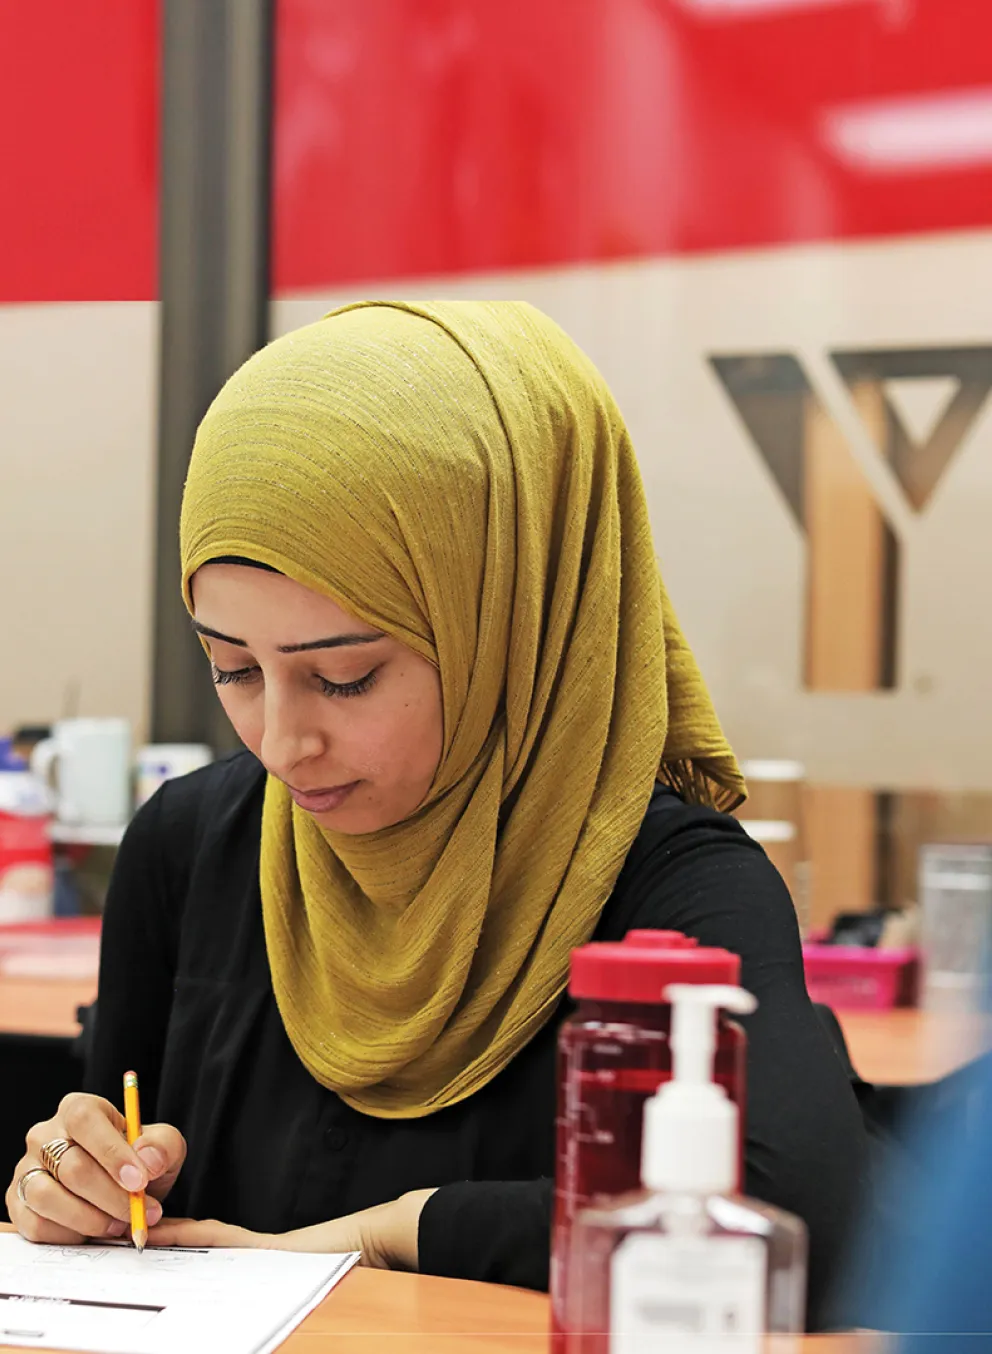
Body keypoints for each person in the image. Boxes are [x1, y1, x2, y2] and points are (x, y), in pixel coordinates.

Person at [5, 301, 868, 1328]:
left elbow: (807, 1226)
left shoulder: (669, 886)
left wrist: (382, 1231)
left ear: (506, 620)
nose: (281, 744)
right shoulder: (190, 844)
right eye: (231, 667)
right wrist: (73, 1182)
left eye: (347, 677)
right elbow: (117, 1197)